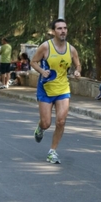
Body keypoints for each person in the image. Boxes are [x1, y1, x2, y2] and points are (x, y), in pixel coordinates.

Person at [31, 18, 81, 164]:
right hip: (46, 89)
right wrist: (42, 71)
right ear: (53, 31)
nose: (63, 31)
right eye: (59, 28)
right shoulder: (45, 47)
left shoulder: (71, 49)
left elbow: (78, 65)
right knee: (47, 123)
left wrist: (77, 72)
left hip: (63, 89)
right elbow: (33, 62)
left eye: (65, 28)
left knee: (61, 121)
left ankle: (52, 151)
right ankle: (40, 128)